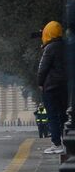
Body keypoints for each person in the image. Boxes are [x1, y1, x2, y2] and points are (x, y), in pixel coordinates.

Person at [37, 21, 67, 155]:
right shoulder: (65, 45)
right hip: (64, 86)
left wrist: (40, 83)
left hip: (50, 87)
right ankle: (66, 141)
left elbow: (42, 68)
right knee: (64, 114)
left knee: (52, 116)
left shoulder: (49, 48)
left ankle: (56, 143)